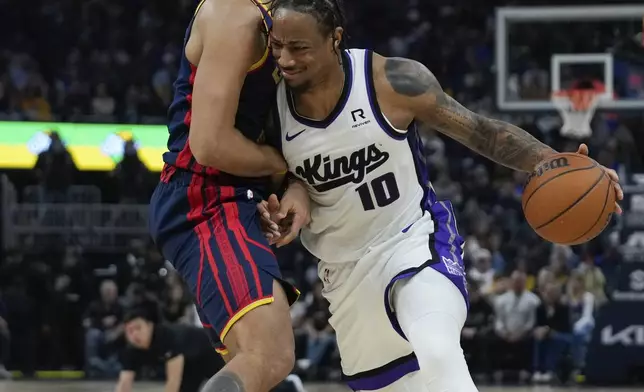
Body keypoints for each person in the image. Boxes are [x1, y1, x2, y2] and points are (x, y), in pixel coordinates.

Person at [258, 0, 624, 390]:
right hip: (343, 272)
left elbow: (482, 132)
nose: (285, 58)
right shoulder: (270, 109)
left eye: (299, 47)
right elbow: (277, 177)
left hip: (413, 240)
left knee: (437, 349)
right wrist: (290, 194)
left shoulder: (391, 80)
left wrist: (555, 162)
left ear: (334, 39)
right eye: (277, 46)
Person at [147, 0, 301, 391]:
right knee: (269, 353)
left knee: (257, 368)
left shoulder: (285, 16)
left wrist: (279, 188)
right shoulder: (235, 12)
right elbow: (209, 143)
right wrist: (278, 167)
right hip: (205, 198)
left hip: (234, 196)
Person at [116, 308, 225, 392]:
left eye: (138, 328)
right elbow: (124, 382)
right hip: (189, 364)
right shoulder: (130, 350)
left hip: (211, 351)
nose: (134, 334)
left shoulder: (165, 336)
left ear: (149, 326)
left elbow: (173, 382)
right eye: (129, 331)